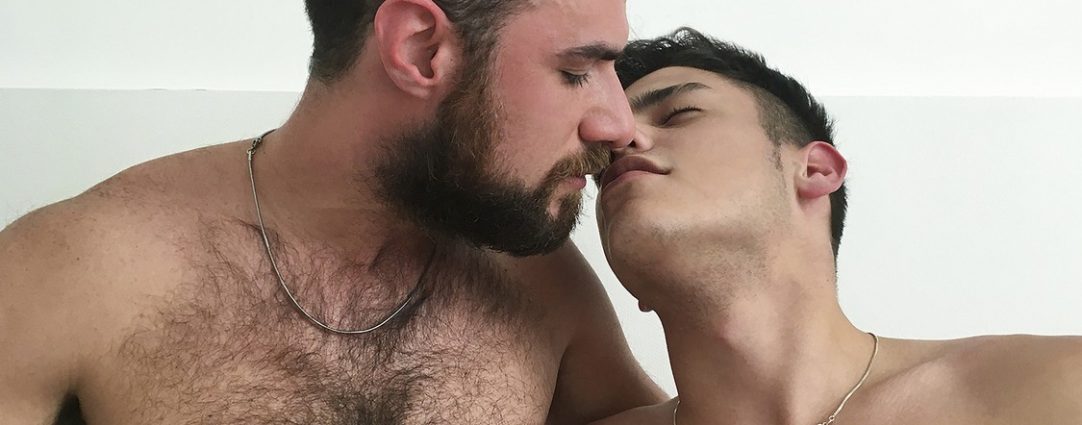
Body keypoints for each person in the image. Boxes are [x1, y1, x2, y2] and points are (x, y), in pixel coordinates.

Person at [0, 1, 667, 423]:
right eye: (576, 71)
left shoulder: (542, 286)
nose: (618, 123)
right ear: (420, 49)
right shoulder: (73, 272)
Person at [591, 28, 1082, 424]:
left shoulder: (1056, 389)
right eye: (604, 158)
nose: (623, 140)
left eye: (678, 114)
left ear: (816, 169)